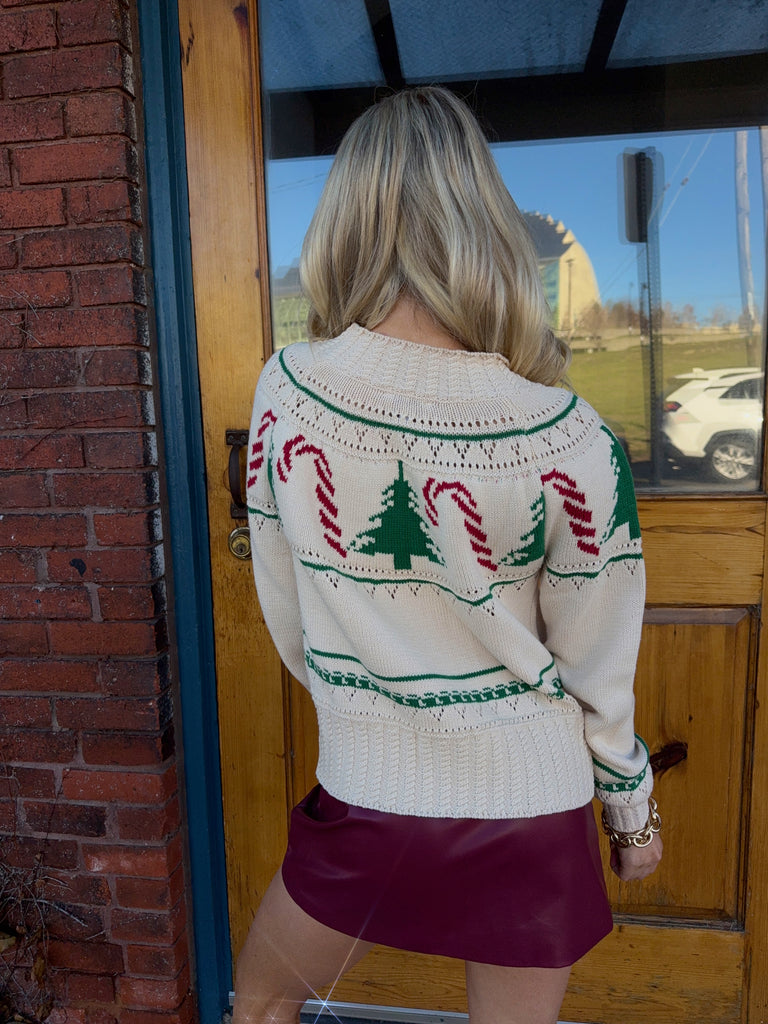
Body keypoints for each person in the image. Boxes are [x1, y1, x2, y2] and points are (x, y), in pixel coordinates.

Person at [238, 87, 662, 1024]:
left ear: (348, 218)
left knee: (260, 1005)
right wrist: (631, 811)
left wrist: (369, 707)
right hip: (535, 803)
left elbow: (289, 607)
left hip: (367, 790)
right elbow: (598, 658)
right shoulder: (572, 432)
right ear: (487, 225)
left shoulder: (288, 391)